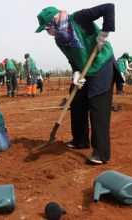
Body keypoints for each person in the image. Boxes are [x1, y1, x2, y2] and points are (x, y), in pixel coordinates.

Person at [35, 3, 122, 164]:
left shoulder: (78, 18)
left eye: (47, 28)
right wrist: (76, 73)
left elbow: (109, 7)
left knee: (97, 105)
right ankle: (80, 140)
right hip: (84, 70)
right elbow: (73, 59)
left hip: (102, 64)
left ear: (54, 21)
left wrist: (104, 32)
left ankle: (101, 153)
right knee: (77, 100)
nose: (47, 32)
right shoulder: (60, 40)